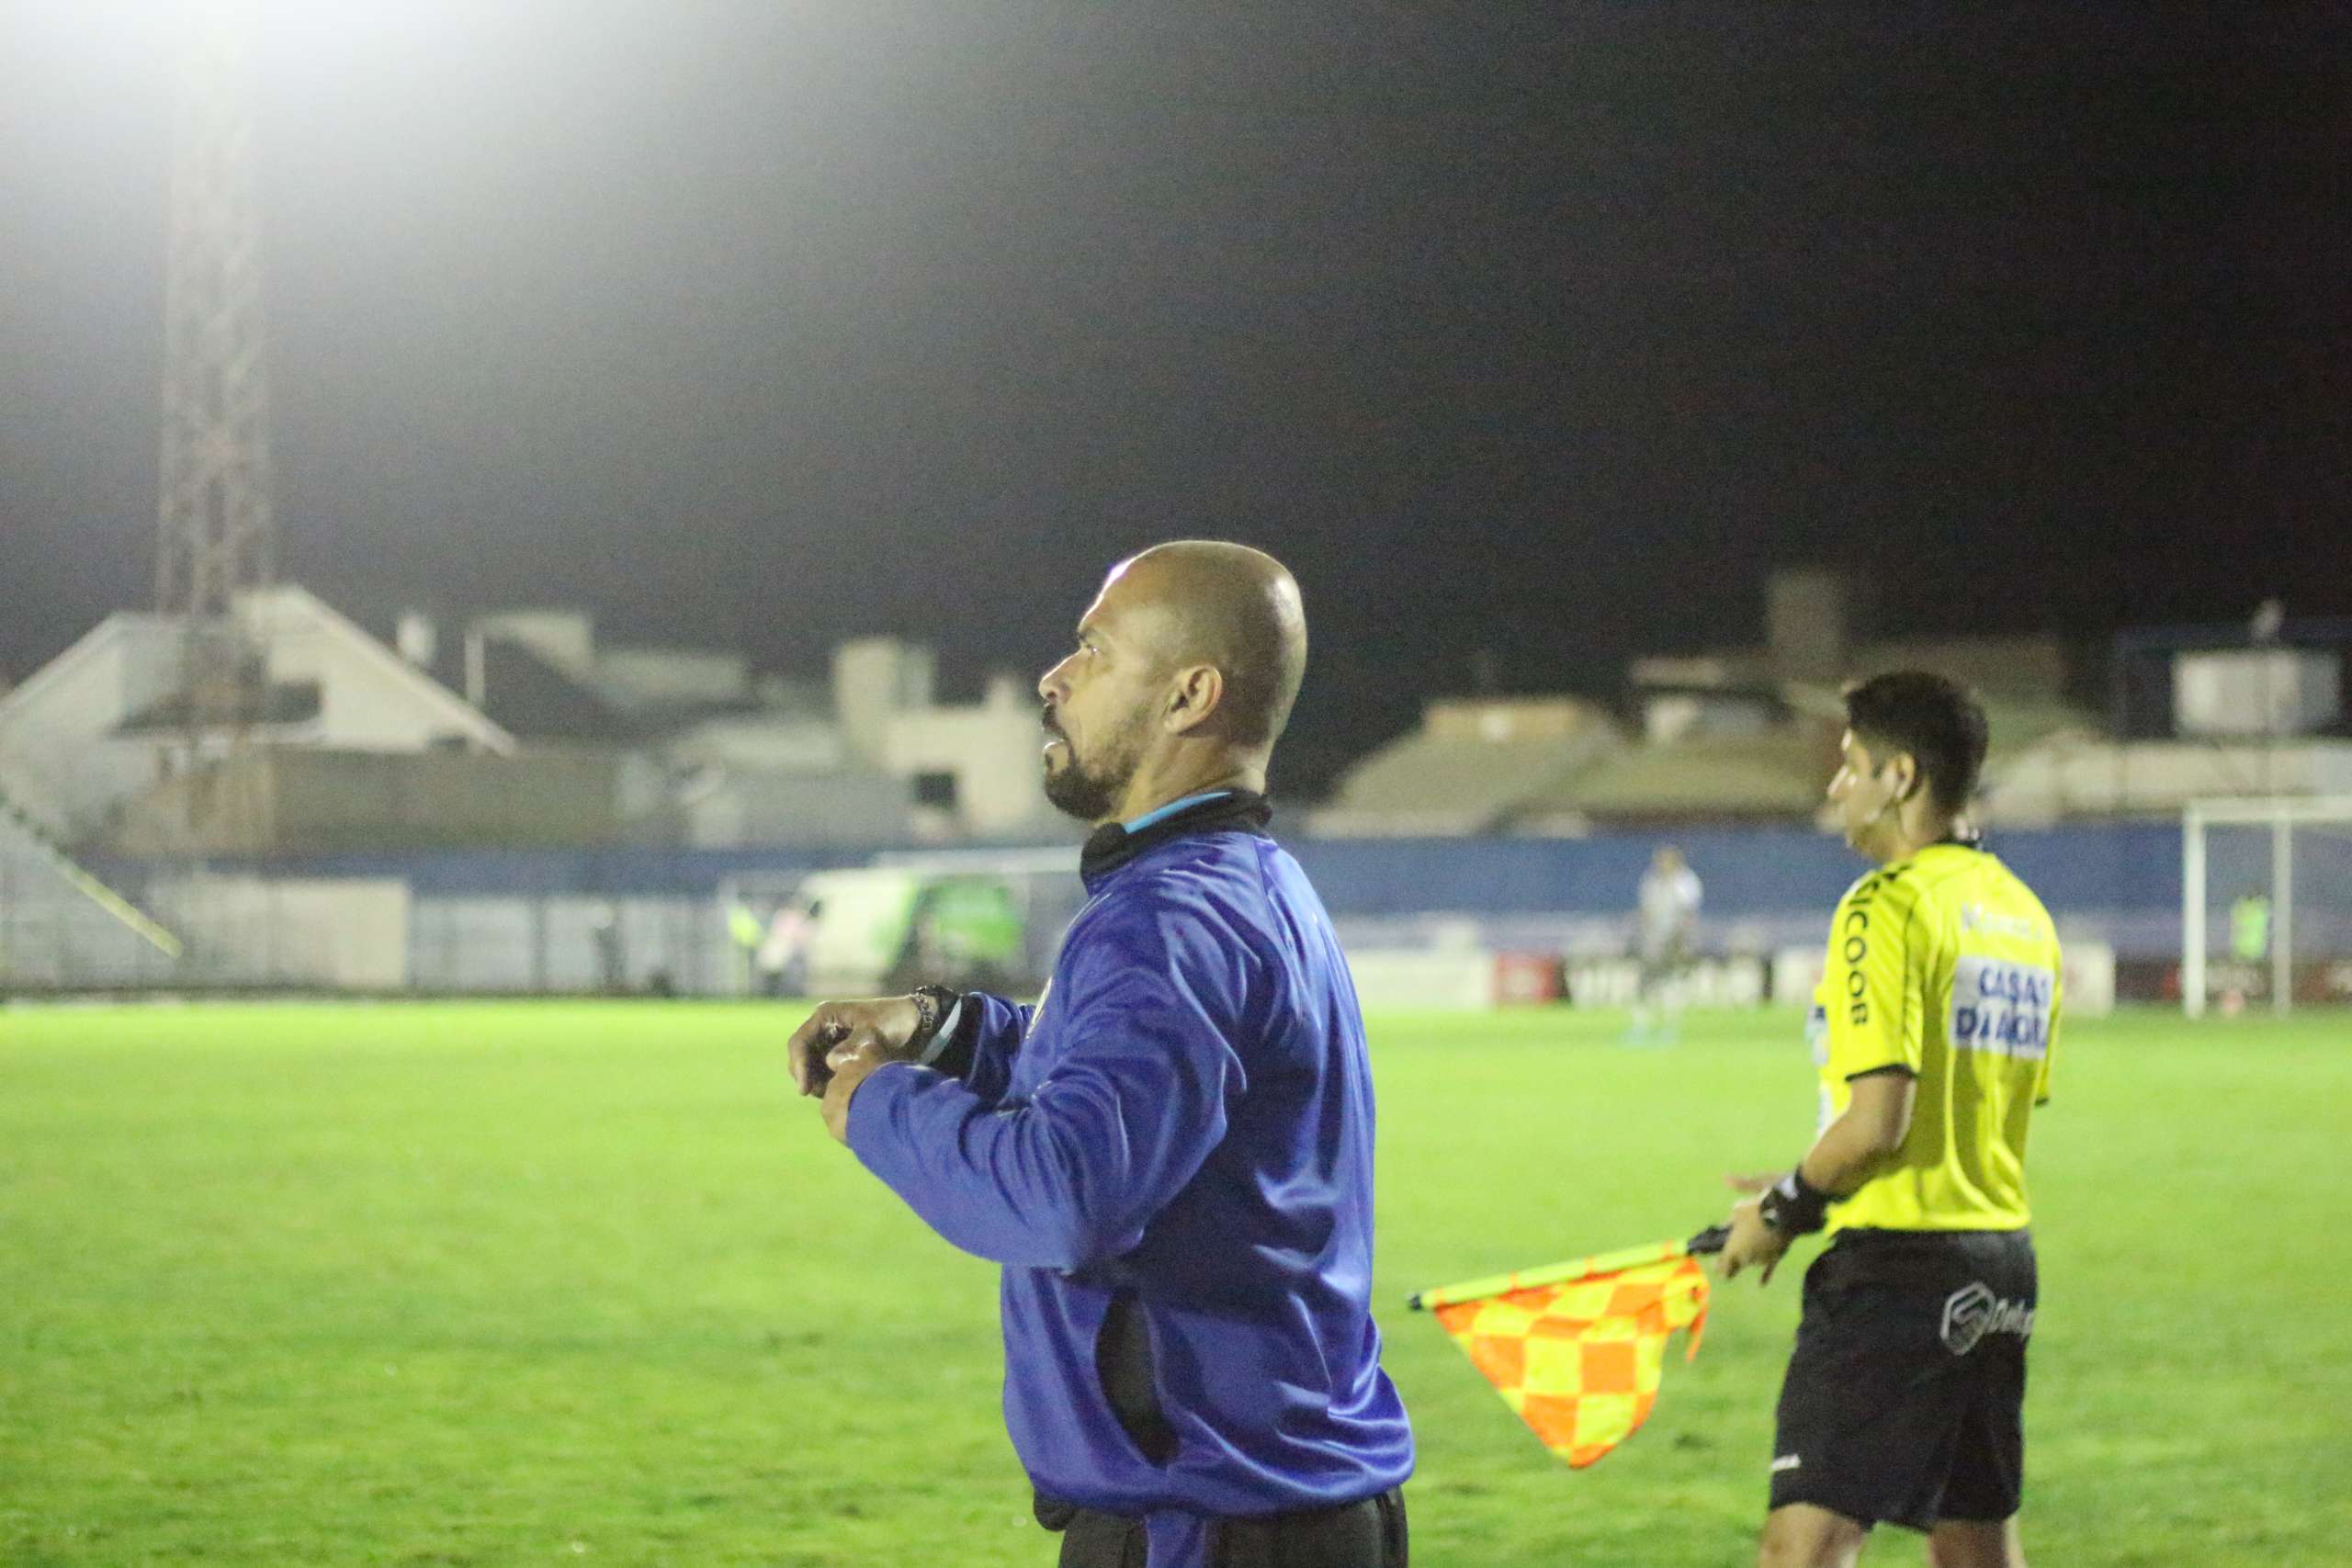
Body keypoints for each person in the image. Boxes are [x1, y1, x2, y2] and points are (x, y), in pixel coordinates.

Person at [787, 541, 1412, 1568]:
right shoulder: (1247, 885)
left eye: (1093, 649)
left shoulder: (1164, 918)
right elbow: (1131, 1086)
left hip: (1209, 1525)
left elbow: (1064, 1194)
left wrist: (880, 1107)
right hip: (1276, 1510)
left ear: (1187, 696)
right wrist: (942, 1031)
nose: (1053, 676)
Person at [1716, 672, 2060, 1568]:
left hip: (1897, 1273)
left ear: (1899, 777)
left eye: (1848, 766)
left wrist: (1784, 1209)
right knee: (1975, 1545)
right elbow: (1966, 1115)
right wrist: (1812, 1166)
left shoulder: (1884, 905)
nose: (1834, 788)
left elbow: (1879, 1124)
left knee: (1804, 1547)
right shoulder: (2023, 916)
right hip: (1999, 1268)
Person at [1629, 844, 1702, 1043]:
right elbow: (1646, 911)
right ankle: (1641, 1027)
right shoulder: (1652, 880)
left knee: (1671, 983)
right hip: (1652, 940)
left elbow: (1688, 914)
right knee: (1645, 985)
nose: (1662, 864)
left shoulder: (1685, 882)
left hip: (1673, 940)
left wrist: (1685, 942)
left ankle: (1670, 1028)